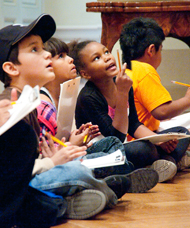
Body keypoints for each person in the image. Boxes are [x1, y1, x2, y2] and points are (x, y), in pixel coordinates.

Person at [0, 15, 158, 227]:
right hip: (23, 190)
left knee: (89, 157)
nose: (47, 53)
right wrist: (52, 162)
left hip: (38, 175)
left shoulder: (27, 99)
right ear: (11, 68)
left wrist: (56, 154)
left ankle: (96, 190)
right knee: (76, 170)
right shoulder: (9, 105)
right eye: (35, 49)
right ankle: (104, 191)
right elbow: (10, 175)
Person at [34, 36, 158, 193]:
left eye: (106, 52)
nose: (70, 59)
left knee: (119, 145)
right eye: (61, 57)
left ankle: (125, 176)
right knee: (135, 150)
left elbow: (132, 124)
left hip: (79, 152)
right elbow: (45, 155)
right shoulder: (79, 98)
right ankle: (124, 178)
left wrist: (75, 139)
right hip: (63, 163)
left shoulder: (65, 95)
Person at [68, 39, 188, 183]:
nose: (106, 57)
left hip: (124, 145)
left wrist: (159, 141)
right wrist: (122, 93)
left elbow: (133, 124)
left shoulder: (123, 84)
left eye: (106, 51)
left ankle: (163, 164)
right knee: (143, 150)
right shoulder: (88, 97)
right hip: (106, 152)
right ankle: (167, 162)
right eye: (97, 58)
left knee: (182, 133)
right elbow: (115, 138)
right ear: (85, 74)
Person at [119, 17, 190, 170]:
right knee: (181, 132)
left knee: (179, 131)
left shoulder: (127, 68)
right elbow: (162, 111)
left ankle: (167, 161)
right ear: (151, 50)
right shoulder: (144, 70)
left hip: (136, 138)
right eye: (161, 50)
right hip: (140, 140)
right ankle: (170, 161)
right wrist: (187, 100)